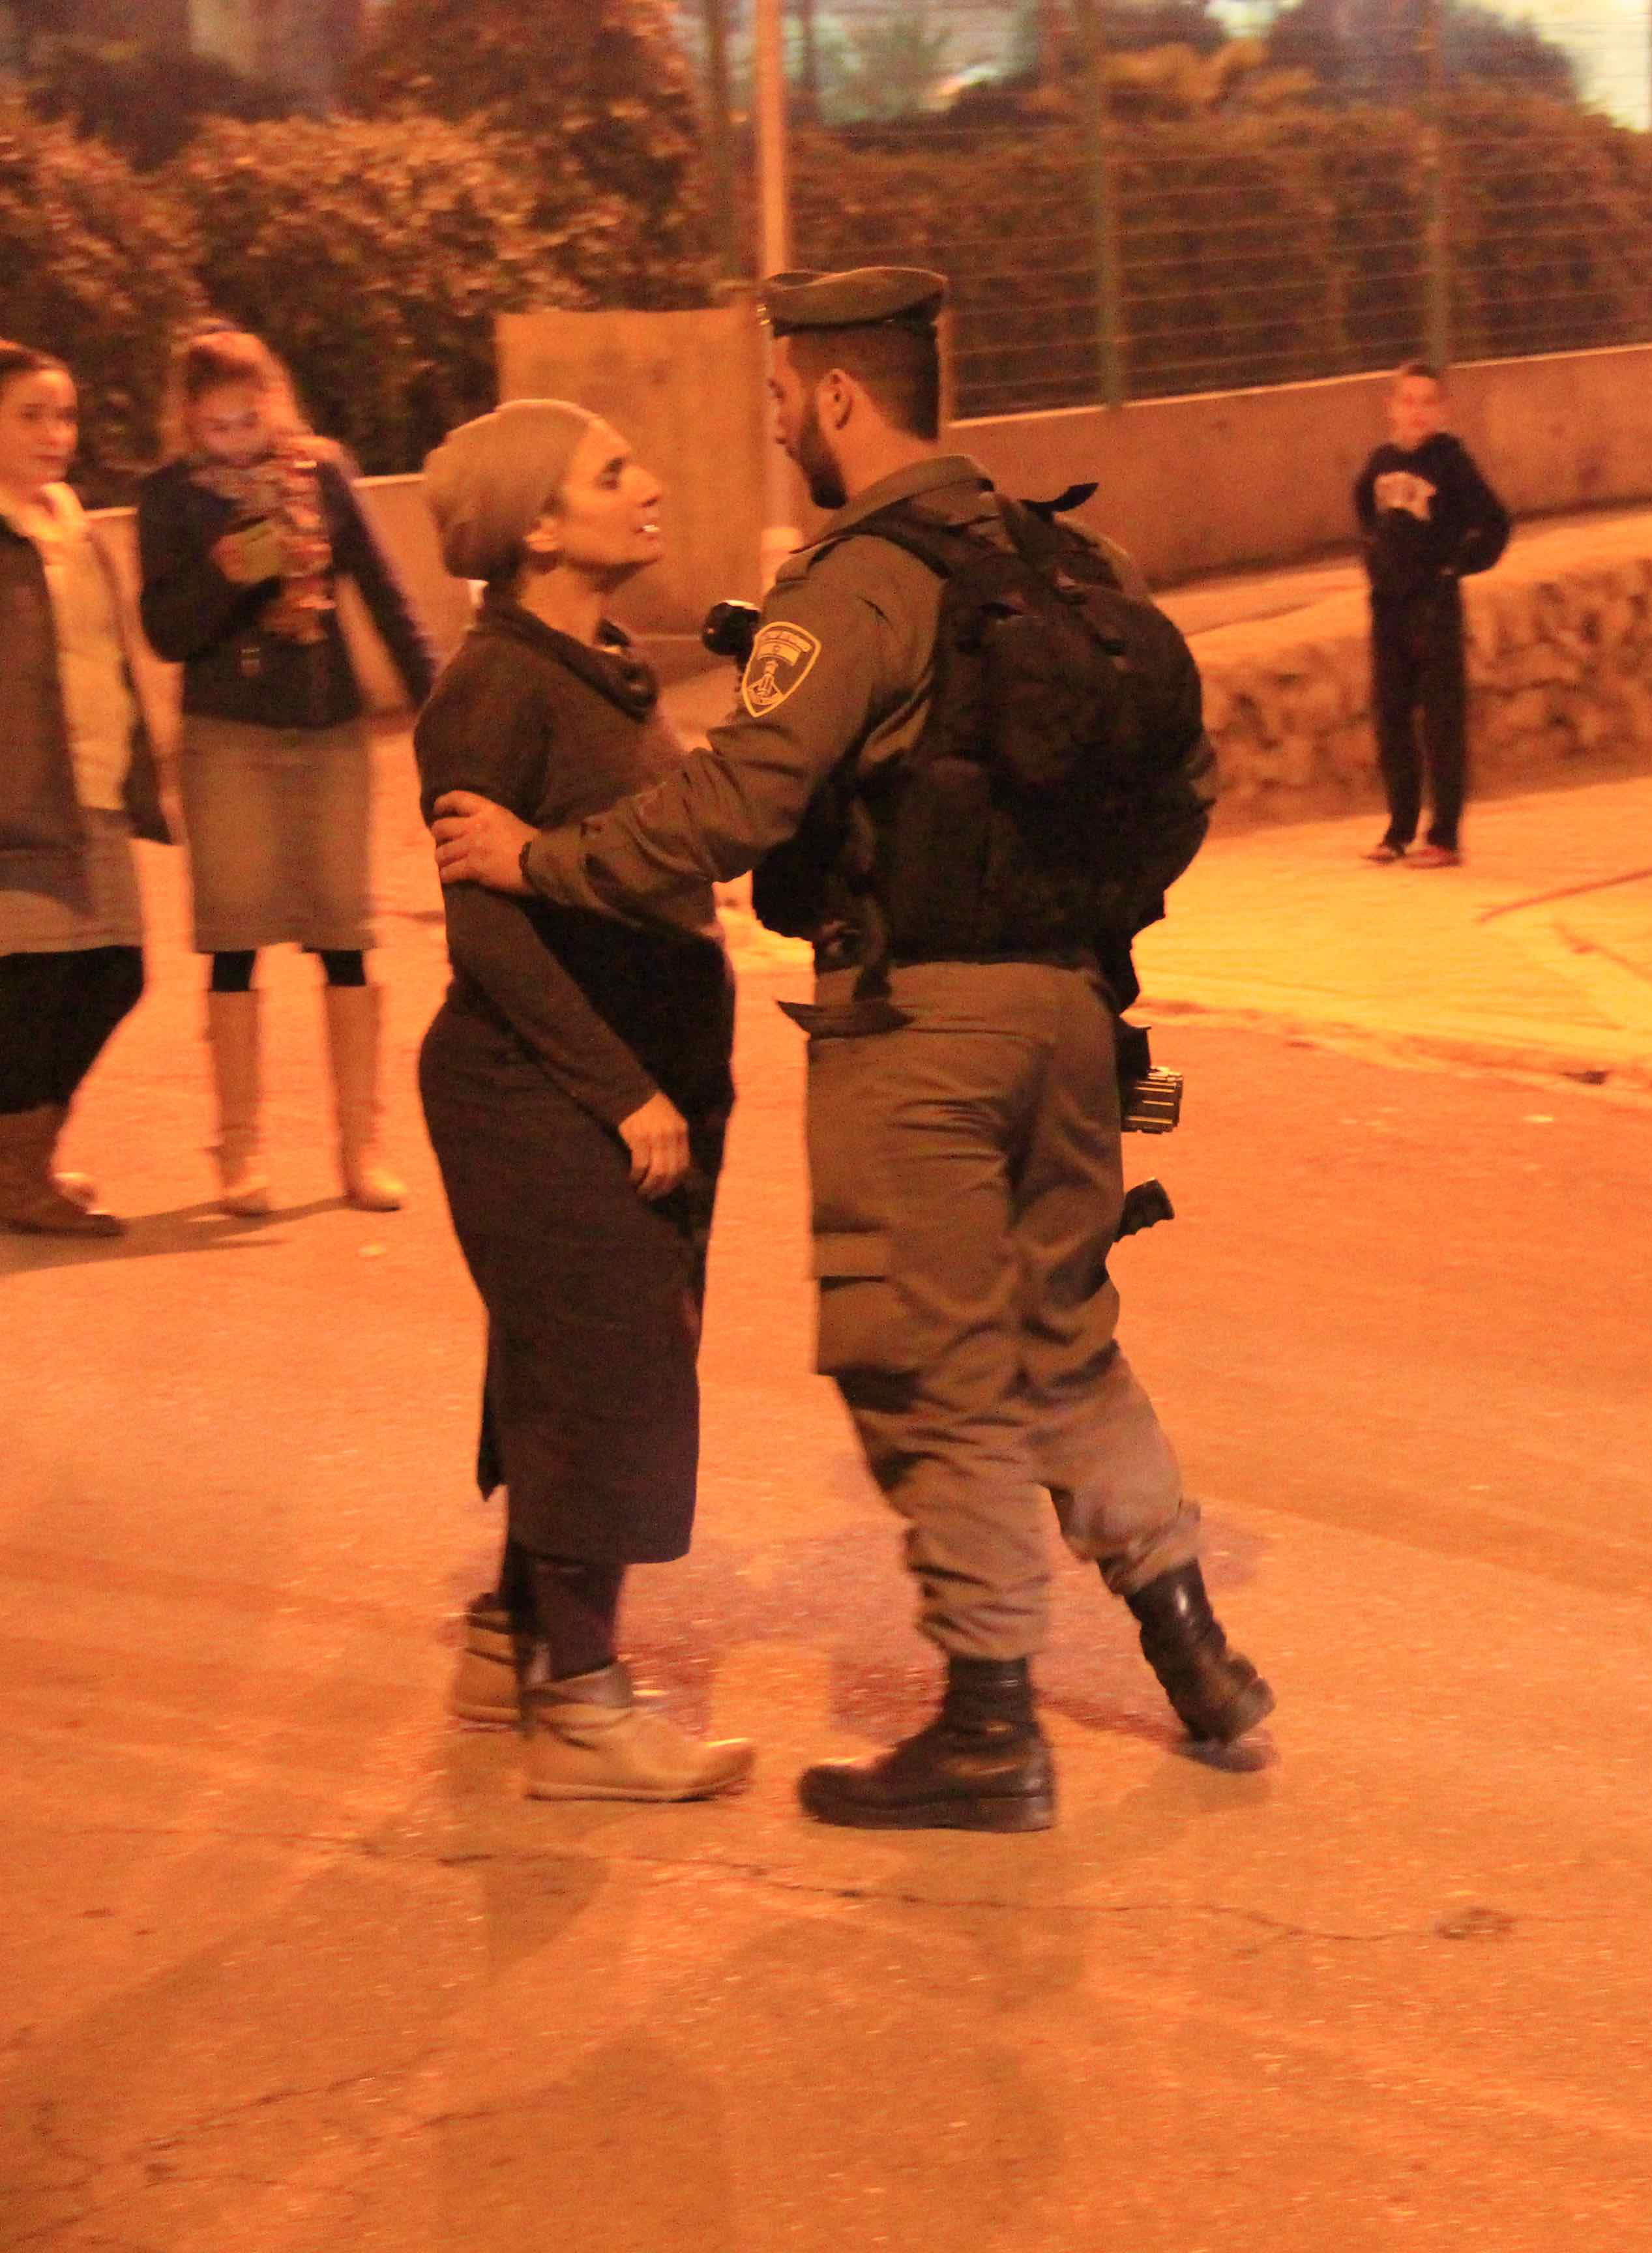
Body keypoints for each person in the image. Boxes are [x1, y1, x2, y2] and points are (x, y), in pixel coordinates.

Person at [430, 268, 1270, 1834]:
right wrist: (1077, 935)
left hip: (918, 1031)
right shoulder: (1072, 552)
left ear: (831, 397)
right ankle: (1190, 1637)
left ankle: (987, 1722)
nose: (764, 431)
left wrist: (542, 861)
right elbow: (1191, 775)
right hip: (1078, 1016)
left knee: (929, 1367)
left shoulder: (856, 583)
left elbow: (735, 808)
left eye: (775, 399)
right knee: (1061, 1334)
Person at [413, 400, 752, 1802]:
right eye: (615, 473)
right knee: (608, 1377)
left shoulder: (604, 664)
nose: (652, 484)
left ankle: (516, 1648)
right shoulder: (492, 685)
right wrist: (625, 1095)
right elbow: (484, 931)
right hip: (544, 1086)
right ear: (538, 524)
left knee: (571, 1363)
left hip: (635, 1073)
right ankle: (588, 1712)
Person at [136, 328, 438, 1216]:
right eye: (220, 426)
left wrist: (446, 706)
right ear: (190, 423)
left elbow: (386, 595)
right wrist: (227, 571)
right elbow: (167, 633)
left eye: (251, 416)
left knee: (345, 934)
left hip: (328, 727)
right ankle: (240, 1153)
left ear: (276, 401)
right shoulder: (170, 499)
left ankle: (362, 1145)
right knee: (234, 940)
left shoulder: (322, 477)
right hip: (226, 733)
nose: (241, 437)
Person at [0, 340, 172, 1237]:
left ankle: (20, 1155)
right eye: (31, 414)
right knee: (32, 984)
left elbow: (106, 660)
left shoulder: (72, 524)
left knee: (114, 970)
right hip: (19, 801)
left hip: (93, 788)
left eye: (63, 415)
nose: (55, 433)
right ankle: (19, 1170)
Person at [1353, 360, 1509, 869]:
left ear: (1442, 410)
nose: (1417, 412)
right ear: (1391, 407)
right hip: (1389, 611)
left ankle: (1443, 835)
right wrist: (1374, 559)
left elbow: (1495, 523)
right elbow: (1364, 515)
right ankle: (1399, 828)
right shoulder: (1378, 464)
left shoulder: (1452, 463)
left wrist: (1456, 569)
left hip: (1435, 609)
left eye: (1428, 402)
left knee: (1442, 721)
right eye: (1408, 401)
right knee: (1391, 717)